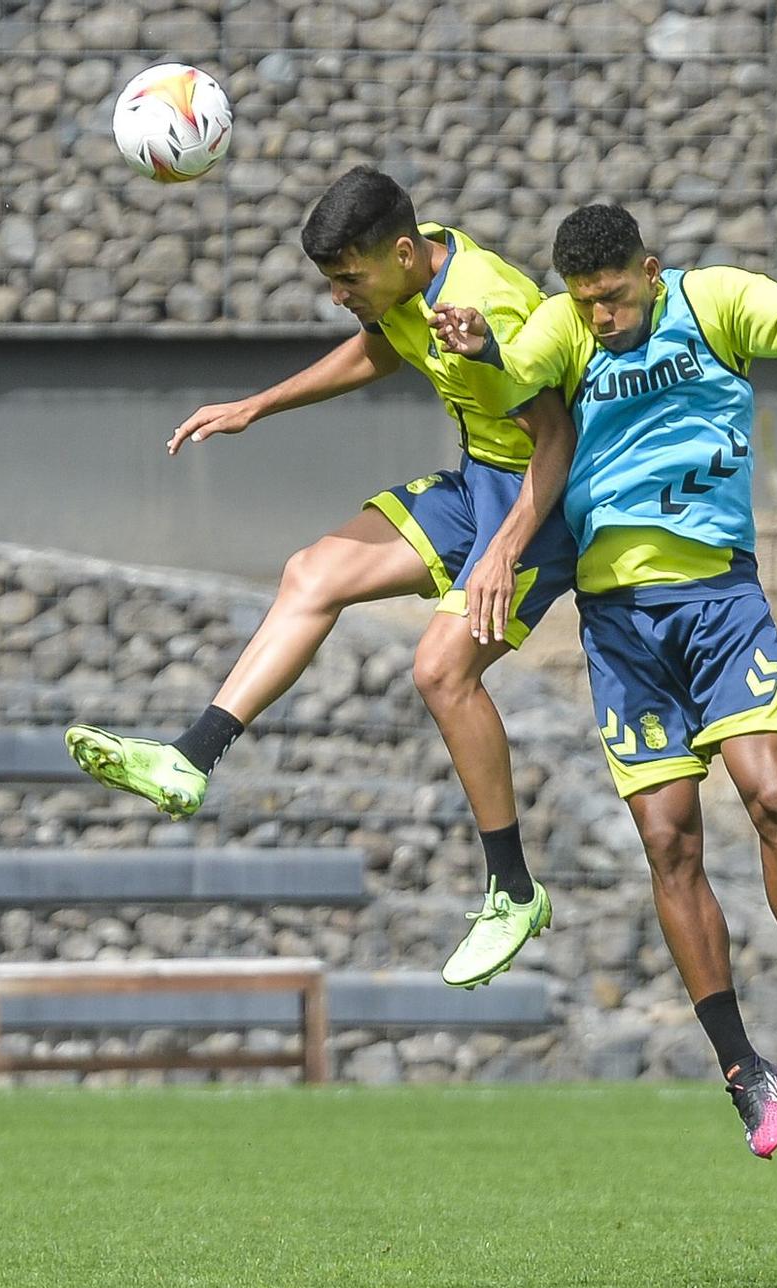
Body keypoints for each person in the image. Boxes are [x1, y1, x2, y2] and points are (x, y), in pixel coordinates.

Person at [64, 166, 580, 989]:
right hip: (483, 477)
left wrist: (504, 547)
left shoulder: (486, 306)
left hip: (543, 506)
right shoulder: (412, 286)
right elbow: (383, 347)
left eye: (349, 279)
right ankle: (190, 760)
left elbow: (555, 438)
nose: (340, 296)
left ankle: (513, 891)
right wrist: (255, 405)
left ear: (405, 253)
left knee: (441, 670)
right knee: (313, 571)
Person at [431, 184, 777, 1156]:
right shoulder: (564, 328)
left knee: (774, 796)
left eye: (615, 295)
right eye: (586, 300)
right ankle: (738, 1065)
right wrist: (477, 351)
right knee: (668, 841)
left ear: (648, 271)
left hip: (718, 600)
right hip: (619, 628)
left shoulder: (713, 303)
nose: (601, 316)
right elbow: (515, 379)